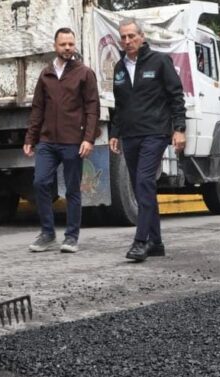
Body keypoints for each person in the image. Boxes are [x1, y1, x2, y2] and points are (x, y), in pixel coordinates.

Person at [108, 18, 187, 262]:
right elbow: (120, 106)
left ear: (142, 37)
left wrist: (179, 128)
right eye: (123, 37)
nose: (127, 41)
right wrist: (114, 133)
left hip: (155, 133)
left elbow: (176, 96)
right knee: (143, 187)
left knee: (143, 182)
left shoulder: (160, 62)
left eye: (132, 36)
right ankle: (157, 243)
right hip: (130, 136)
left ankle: (140, 242)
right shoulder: (120, 67)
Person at [23, 27, 100, 253]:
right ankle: (47, 234)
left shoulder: (84, 73)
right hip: (47, 141)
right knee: (40, 183)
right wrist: (31, 137)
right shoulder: (46, 74)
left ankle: (71, 237)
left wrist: (88, 139)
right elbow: (38, 108)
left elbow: (92, 108)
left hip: (72, 141)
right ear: (55, 46)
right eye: (63, 44)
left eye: (70, 44)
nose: (67, 48)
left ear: (74, 46)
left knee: (72, 189)